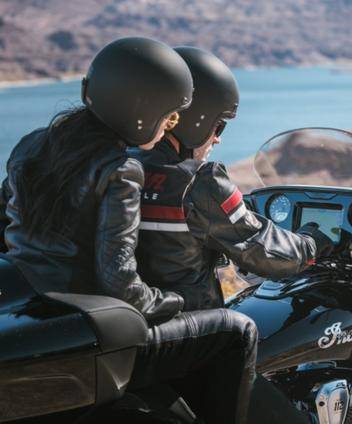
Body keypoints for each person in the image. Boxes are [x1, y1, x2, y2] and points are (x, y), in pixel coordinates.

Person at [0, 37, 257, 424]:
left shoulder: (32, 145)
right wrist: (172, 301)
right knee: (236, 331)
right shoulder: (120, 169)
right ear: (143, 113)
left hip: (38, 314)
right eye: (170, 117)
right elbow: (119, 282)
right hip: (97, 328)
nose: (170, 126)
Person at [131, 46, 334, 423]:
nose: (218, 138)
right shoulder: (199, 182)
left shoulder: (119, 168)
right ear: (192, 119)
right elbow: (267, 253)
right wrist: (313, 243)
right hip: (192, 343)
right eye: (218, 126)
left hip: (133, 340)